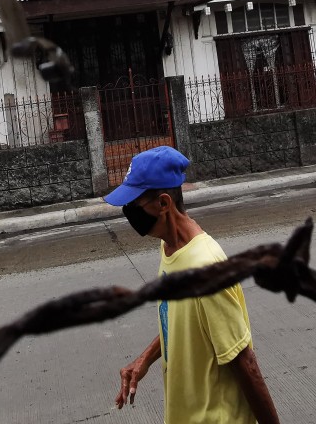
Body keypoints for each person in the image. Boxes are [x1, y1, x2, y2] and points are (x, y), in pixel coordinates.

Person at [106, 145, 280, 424]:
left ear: (164, 204)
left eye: (133, 205)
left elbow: (245, 363)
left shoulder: (206, 270)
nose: (128, 213)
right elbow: (180, 320)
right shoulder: (170, 247)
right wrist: (145, 359)